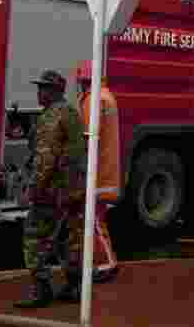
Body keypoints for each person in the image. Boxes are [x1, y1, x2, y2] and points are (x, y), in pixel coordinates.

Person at [15, 70, 88, 309]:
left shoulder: (51, 118)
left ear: (56, 91)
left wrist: (32, 190)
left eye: (44, 88)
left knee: (34, 238)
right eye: (39, 87)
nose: (39, 92)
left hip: (51, 193)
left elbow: (45, 160)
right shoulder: (72, 114)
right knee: (69, 240)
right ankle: (74, 286)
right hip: (72, 192)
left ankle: (41, 290)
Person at [76, 60, 120, 282]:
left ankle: (106, 264)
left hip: (97, 173)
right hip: (106, 171)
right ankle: (98, 261)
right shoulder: (106, 96)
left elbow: (86, 138)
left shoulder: (93, 100)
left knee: (94, 220)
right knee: (95, 219)